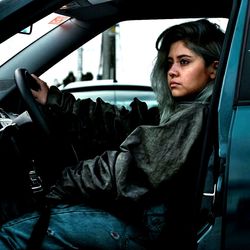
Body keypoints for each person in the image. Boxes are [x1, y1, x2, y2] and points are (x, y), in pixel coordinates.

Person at [0, 19, 224, 249]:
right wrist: (56, 101)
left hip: (146, 232)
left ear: (213, 69)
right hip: (143, 219)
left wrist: (60, 184)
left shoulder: (195, 115)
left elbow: (123, 170)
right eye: (169, 63)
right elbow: (125, 122)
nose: (172, 71)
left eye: (184, 62)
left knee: (10, 235)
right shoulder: (182, 111)